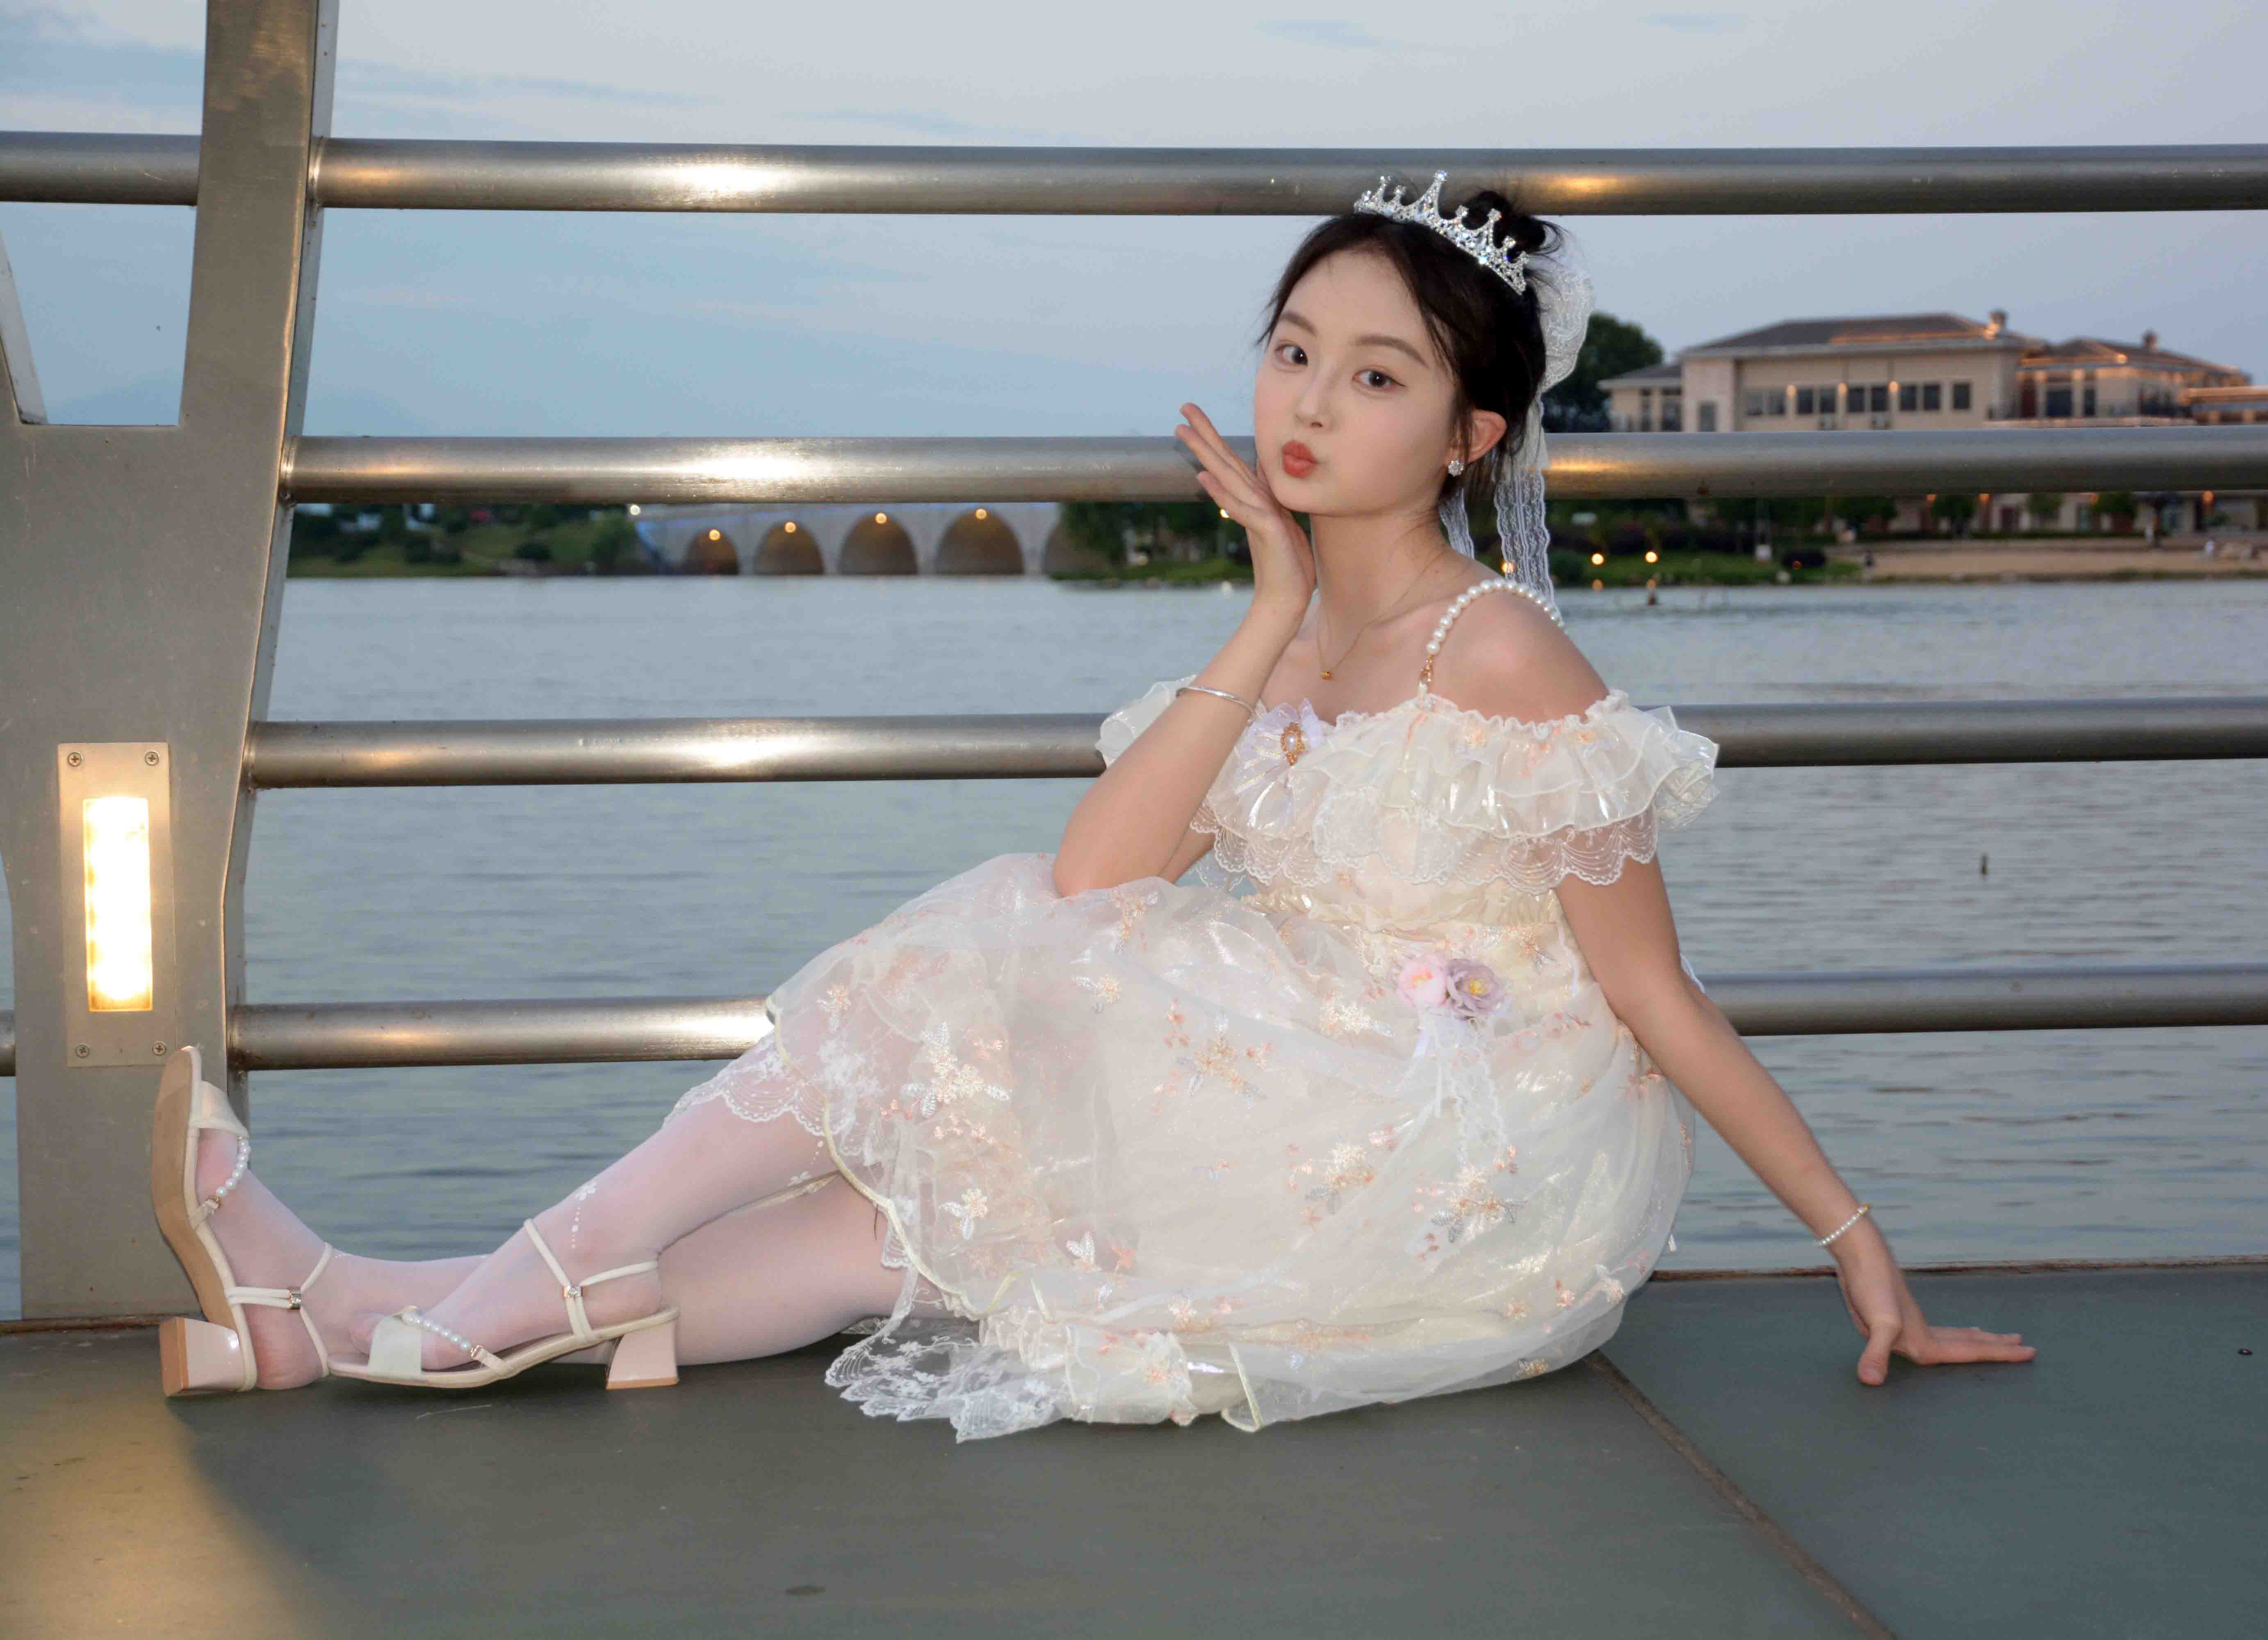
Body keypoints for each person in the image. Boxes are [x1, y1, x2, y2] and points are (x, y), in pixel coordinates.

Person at [149, 173, 2034, 1439]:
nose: (1309, 403)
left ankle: (457, 1304)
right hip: (1280, 1073)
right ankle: (347, 1315)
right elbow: (1101, 874)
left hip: (1450, 1144)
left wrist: (1858, 1245)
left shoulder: (1507, 654)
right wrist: (1271, 606)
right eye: (1294, 349)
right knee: (920, 1213)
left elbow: (1650, 994)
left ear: (1471, 435)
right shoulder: (1293, 627)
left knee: (960, 1028)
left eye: (1376, 375)